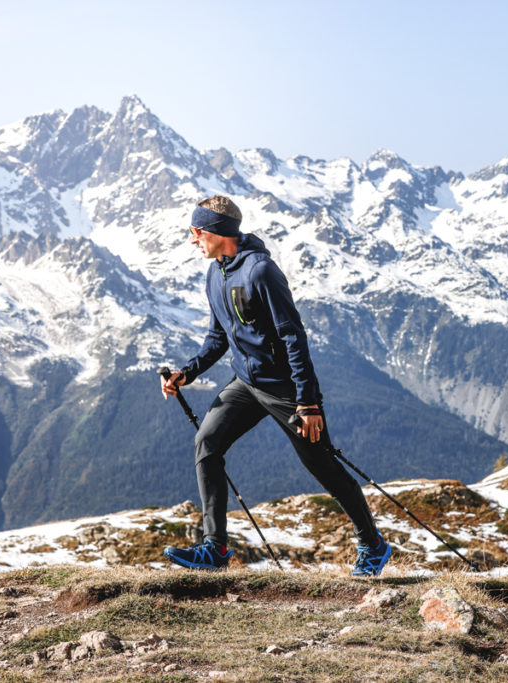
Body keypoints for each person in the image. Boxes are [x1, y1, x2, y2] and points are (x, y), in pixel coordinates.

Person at [160, 195, 392, 577]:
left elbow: (292, 337)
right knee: (207, 442)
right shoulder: (215, 272)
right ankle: (214, 547)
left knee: (323, 466)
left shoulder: (261, 271)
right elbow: (218, 336)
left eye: (196, 232)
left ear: (216, 232)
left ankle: (373, 544)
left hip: (285, 390)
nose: (192, 240)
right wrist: (188, 372)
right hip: (246, 383)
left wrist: (308, 404)